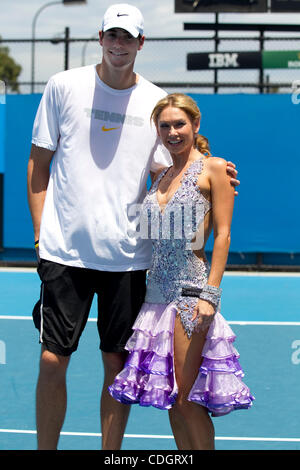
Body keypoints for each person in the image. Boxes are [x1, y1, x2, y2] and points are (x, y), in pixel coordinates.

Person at [27, 4, 240, 450]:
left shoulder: (154, 100)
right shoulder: (62, 86)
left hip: (129, 261)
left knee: (115, 362)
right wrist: (41, 236)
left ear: (141, 43)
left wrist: (216, 172)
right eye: (112, 35)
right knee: (52, 360)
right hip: (64, 254)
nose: (119, 44)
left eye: (128, 37)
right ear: (100, 37)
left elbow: (178, 169)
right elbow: (38, 164)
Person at [108, 93, 254, 450]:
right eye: (165, 126)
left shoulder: (214, 168)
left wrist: (211, 294)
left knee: (188, 400)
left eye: (179, 124)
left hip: (191, 295)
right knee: (172, 399)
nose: (172, 132)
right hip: (155, 298)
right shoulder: (160, 177)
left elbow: (223, 235)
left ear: (195, 125)